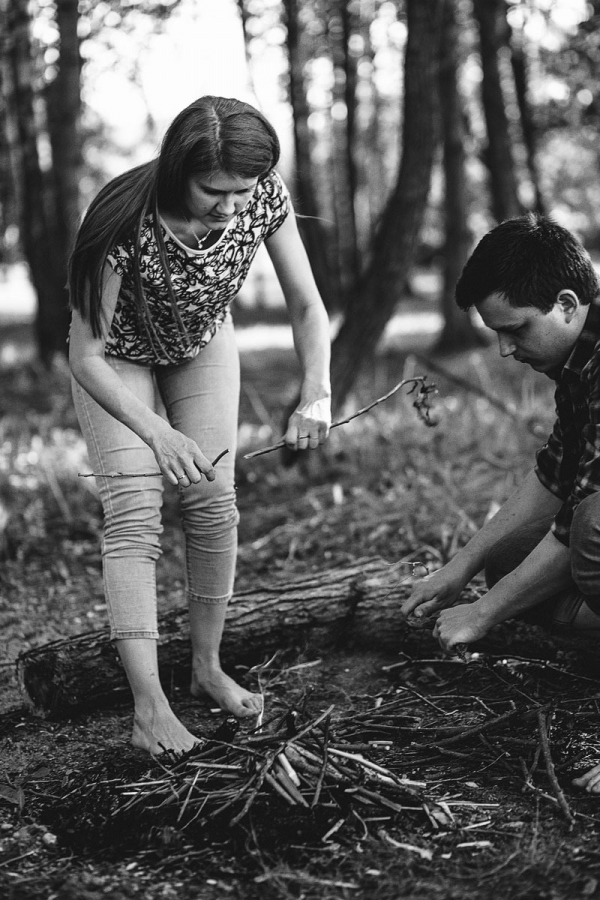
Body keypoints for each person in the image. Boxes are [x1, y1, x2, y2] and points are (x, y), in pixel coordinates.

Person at [68, 96, 331, 756]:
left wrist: (316, 393)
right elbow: (86, 357)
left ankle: (206, 667)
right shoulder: (121, 222)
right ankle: (149, 709)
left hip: (201, 341)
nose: (231, 206)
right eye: (215, 191)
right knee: (134, 512)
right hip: (117, 356)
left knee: (215, 503)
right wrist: (157, 433)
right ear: (177, 169)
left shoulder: (262, 195)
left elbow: (306, 304)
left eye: (242, 191)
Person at [400, 213, 600, 794]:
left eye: (516, 329)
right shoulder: (578, 361)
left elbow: (580, 509)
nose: (507, 348)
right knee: (506, 564)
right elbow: (555, 475)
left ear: (566, 303)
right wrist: (459, 570)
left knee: (595, 529)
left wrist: (483, 615)